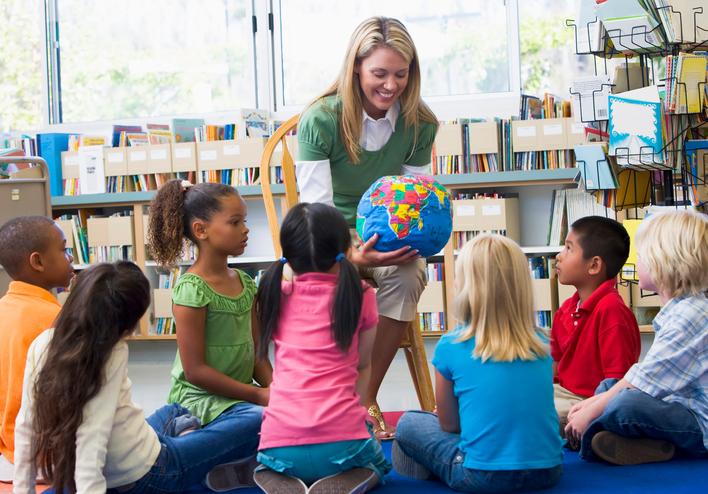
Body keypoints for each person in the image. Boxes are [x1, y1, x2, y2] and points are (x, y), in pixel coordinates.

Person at [296, 16, 439, 439]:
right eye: (379, 73)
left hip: (386, 233)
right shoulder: (321, 120)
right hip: (327, 236)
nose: (391, 85)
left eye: (401, 73)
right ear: (355, 67)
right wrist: (351, 254)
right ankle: (324, 399)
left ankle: (360, 401)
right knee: (318, 281)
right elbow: (315, 213)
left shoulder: (419, 123)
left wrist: (406, 240)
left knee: (410, 273)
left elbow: (419, 201)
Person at [13, 262, 266, 493]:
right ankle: (198, 456)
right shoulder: (111, 352)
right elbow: (93, 437)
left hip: (129, 449)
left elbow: (26, 426)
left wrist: (22, 490)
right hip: (151, 473)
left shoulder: (43, 342)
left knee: (174, 410)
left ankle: (180, 432)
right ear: (125, 324)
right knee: (257, 419)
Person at [394, 234, 563, 492]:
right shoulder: (543, 342)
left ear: (465, 286)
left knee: (409, 422)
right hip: (548, 471)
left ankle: (431, 471)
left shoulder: (451, 345)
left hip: (481, 475)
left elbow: (449, 425)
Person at [253, 203, 390, 494]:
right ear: (345, 247)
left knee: (273, 455)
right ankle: (360, 473)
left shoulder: (274, 292)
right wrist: (361, 413)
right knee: (378, 459)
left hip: (279, 443)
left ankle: (275, 473)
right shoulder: (361, 295)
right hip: (341, 442)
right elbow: (363, 365)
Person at [147, 179, 272, 488]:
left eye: (244, 221)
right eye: (235, 222)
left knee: (288, 414)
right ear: (201, 230)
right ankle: (180, 441)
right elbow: (195, 371)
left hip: (239, 396)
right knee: (259, 419)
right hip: (199, 398)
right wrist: (258, 395)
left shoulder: (246, 282)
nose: (245, 229)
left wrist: (280, 392)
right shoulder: (191, 288)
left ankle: (223, 461)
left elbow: (258, 355)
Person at [565, 209, 708, 465]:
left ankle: (596, 435)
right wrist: (594, 403)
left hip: (698, 423)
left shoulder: (692, 314)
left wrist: (591, 409)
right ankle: (641, 445)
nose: (636, 261)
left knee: (625, 404)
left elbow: (642, 381)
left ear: (665, 262)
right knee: (609, 387)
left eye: (641, 256)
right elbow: (641, 377)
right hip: (676, 402)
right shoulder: (678, 309)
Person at [0, 216, 73, 482]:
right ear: (37, 262)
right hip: (48, 458)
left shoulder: (3, 309)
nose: (70, 259)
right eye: (64, 250)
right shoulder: (54, 317)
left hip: (9, 454)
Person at [552, 216, 640, 432]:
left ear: (594, 265)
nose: (559, 256)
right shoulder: (566, 309)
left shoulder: (612, 311)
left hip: (593, 399)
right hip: (563, 393)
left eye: (569, 248)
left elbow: (617, 384)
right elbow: (554, 366)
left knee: (535, 413)